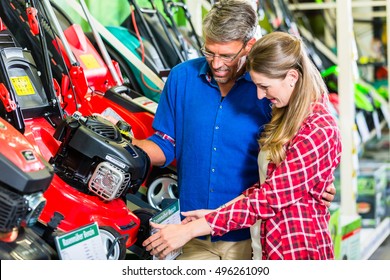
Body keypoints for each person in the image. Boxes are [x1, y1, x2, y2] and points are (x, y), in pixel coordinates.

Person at [133, 0, 336, 260]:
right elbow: (165, 142)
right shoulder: (181, 79)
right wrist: (128, 150)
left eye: (227, 55)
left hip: (255, 236)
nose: (216, 64)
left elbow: (287, 175)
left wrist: (315, 184)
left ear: (249, 46)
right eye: (209, 52)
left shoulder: (271, 90)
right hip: (196, 231)